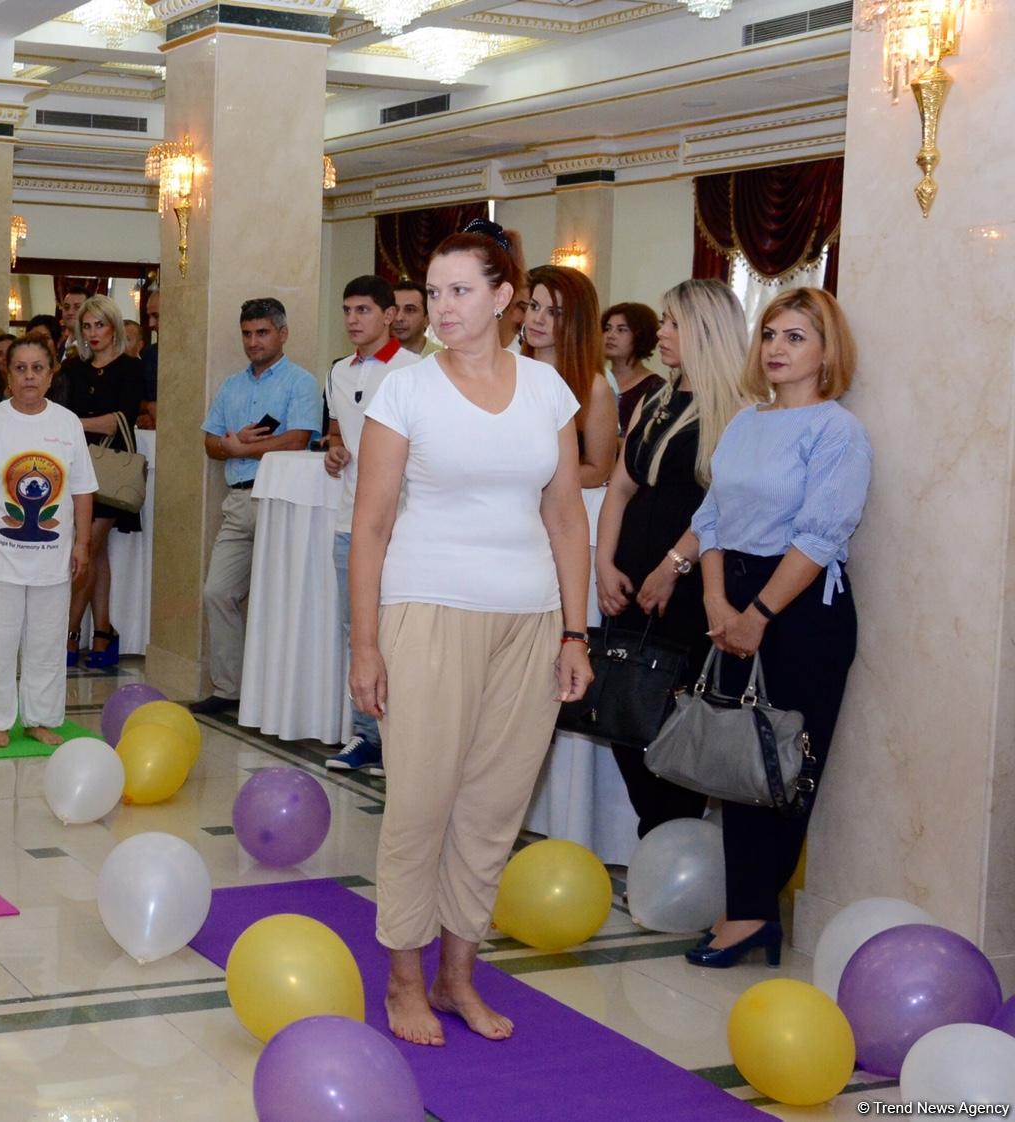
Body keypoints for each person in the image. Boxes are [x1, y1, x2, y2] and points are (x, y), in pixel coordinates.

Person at [348, 224, 592, 1046]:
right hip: (428, 614)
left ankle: (459, 974)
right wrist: (365, 644)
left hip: (528, 622)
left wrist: (574, 632)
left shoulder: (548, 391)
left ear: (501, 298)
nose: (442, 307)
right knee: (420, 804)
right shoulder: (407, 391)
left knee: (492, 810)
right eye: (434, 290)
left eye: (460, 290)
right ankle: (404, 979)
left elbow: (566, 520)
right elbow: (372, 525)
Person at [683, 287, 870, 969]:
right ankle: (745, 908)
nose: (776, 350)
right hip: (730, 595)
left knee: (782, 765)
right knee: (735, 761)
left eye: (795, 337)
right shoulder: (745, 421)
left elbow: (822, 535)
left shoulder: (837, 431)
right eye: (770, 335)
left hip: (800, 611)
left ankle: (754, 913)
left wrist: (758, 614)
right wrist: (714, 599)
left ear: (827, 353)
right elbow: (711, 517)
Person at [596, 280, 750, 838]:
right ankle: (662, 836)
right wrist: (603, 563)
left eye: (674, 323)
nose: (660, 332)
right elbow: (620, 486)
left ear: (706, 331)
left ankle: (672, 838)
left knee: (675, 723)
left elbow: (722, 502)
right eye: (663, 320)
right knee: (622, 717)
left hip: (688, 587)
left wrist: (673, 566)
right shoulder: (656, 399)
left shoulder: (738, 407)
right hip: (630, 579)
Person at [0, 337, 97, 747]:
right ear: (9, 374)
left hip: (53, 557)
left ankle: (40, 718)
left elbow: (83, 491)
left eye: (38, 368)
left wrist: (82, 544)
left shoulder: (68, 423)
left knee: (47, 642)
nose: (30, 376)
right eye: (21, 368)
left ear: (51, 374)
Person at [192, 298, 322, 715]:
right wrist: (229, 446)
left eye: (262, 332)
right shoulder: (232, 385)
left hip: (279, 500)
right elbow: (212, 443)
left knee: (275, 598)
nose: (253, 341)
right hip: (239, 498)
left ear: (282, 334)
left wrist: (243, 445)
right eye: (247, 333)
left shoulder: (300, 382)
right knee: (218, 591)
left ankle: (276, 693)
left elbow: (299, 439)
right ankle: (230, 688)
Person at [321, 275, 410, 773]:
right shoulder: (339, 372)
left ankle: (403, 738)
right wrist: (333, 452)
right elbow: (339, 432)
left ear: (389, 314)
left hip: (402, 523)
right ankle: (367, 736)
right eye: (347, 311)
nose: (353, 320)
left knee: (400, 633)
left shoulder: (414, 370)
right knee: (357, 630)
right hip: (349, 518)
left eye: (363, 311)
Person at [58, 295, 144, 670]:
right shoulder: (73, 369)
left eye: (100, 325)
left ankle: (68, 635)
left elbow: (117, 420)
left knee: (87, 547)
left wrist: (77, 423)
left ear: (114, 327)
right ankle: (104, 632)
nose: (93, 334)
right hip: (77, 467)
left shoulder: (130, 368)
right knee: (97, 553)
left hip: (110, 469)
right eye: (87, 326)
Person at [522, 264, 619, 488]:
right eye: (534, 306)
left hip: (566, 506)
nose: (538, 319)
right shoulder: (509, 370)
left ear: (577, 321)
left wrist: (532, 482)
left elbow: (598, 471)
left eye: (554, 313)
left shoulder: (595, 388)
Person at [603, 302, 664, 435]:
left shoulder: (656, 388)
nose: (610, 335)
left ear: (640, 335)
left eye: (621, 330)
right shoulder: (595, 379)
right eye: (607, 328)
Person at [390, 279, 439, 359]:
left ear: (427, 319)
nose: (399, 318)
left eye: (410, 310)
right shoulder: (371, 358)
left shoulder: (442, 359)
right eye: (395, 310)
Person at [139, 293, 159, 429]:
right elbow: (137, 397)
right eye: (149, 316)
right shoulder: (149, 354)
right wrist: (148, 408)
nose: (151, 324)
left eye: (156, 316)